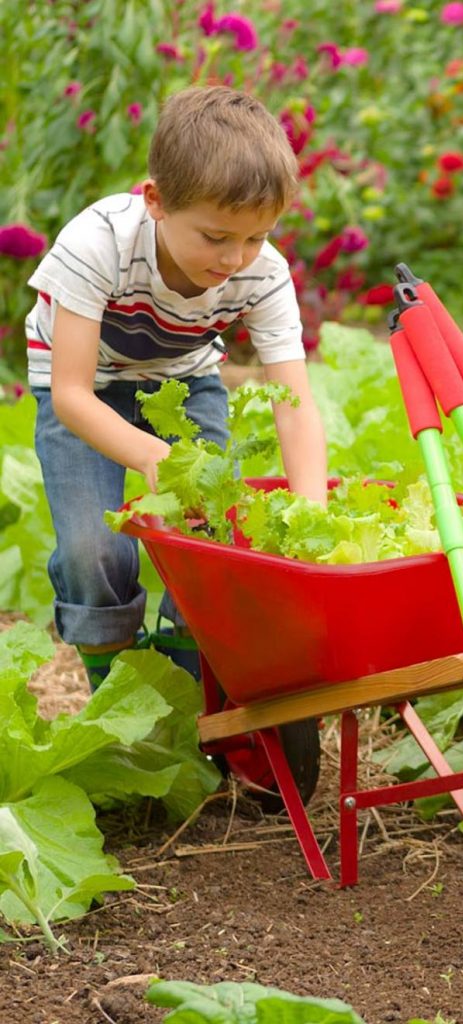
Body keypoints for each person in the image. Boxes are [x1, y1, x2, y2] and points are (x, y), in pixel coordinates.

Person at [24, 86, 328, 687]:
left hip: (185, 383)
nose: (235, 257)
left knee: (211, 546)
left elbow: (295, 406)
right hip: (89, 389)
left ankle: (193, 685)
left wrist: (309, 514)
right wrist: (152, 456)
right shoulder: (96, 245)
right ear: (157, 201)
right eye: (216, 237)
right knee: (95, 552)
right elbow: (72, 395)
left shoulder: (262, 273)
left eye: (255, 237)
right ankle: (118, 686)